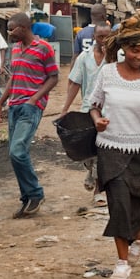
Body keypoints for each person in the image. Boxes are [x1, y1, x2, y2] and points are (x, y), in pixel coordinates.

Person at [87, 14, 140, 279]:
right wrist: (98, 121)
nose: (139, 56)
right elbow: (93, 105)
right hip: (111, 147)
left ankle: (138, 236)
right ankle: (121, 263)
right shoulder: (108, 72)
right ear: (123, 48)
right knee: (119, 205)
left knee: (139, 207)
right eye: (134, 50)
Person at [0, 12, 59, 219]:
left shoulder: (44, 48)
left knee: (18, 151)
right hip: (14, 106)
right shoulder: (15, 49)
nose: (9, 32)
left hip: (31, 107)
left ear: (24, 27)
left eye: (12, 29)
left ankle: (36, 194)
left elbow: (54, 77)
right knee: (14, 155)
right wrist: (0, 102)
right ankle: (27, 198)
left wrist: (34, 99)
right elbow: (14, 78)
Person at [59, 22, 111, 205]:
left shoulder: (116, 58)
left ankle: (99, 191)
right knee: (89, 152)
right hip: (88, 110)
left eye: (107, 37)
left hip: (110, 112)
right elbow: (75, 83)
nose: (104, 40)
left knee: (102, 152)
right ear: (94, 37)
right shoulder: (84, 57)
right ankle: (90, 170)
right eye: (100, 37)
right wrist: (65, 108)